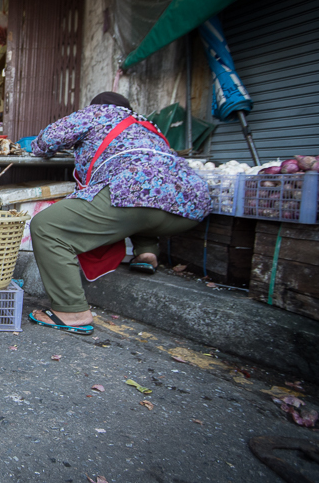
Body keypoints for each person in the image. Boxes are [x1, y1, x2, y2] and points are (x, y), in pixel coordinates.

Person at [28, 92, 210, 335]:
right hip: (190, 205)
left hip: (136, 191)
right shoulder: (147, 124)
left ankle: (71, 310)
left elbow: (45, 142)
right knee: (138, 206)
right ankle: (147, 253)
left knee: (47, 226)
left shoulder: (98, 112)